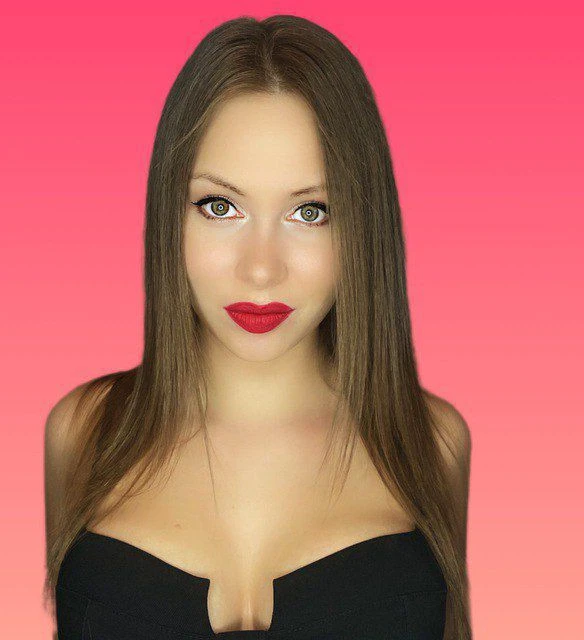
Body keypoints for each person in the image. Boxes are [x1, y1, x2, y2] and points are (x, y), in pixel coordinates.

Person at [44, 14, 472, 640]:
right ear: (169, 213)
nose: (261, 268)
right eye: (220, 207)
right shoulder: (83, 432)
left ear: (363, 224)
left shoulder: (430, 442)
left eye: (310, 211)